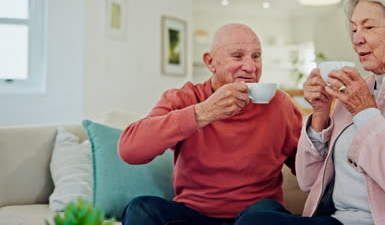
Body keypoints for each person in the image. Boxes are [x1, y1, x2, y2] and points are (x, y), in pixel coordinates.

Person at [235, 0, 385, 225]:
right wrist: (320, 115)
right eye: (354, 28)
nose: (356, 39)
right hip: (339, 217)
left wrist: (365, 112)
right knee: (258, 208)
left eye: (368, 27)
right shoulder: (360, 88)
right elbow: (308, 182)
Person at [117, 23, 303, 225]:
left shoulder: (280, 104)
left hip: (256, 215)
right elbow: (130, 150)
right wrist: (203, 113)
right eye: (238, 56)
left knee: (263, 214)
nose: (251, 66)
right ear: (210, 62)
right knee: (142, 208)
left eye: (256, 56)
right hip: (194, 215)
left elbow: (307, 170)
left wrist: (322, 121)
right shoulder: (184, 98)